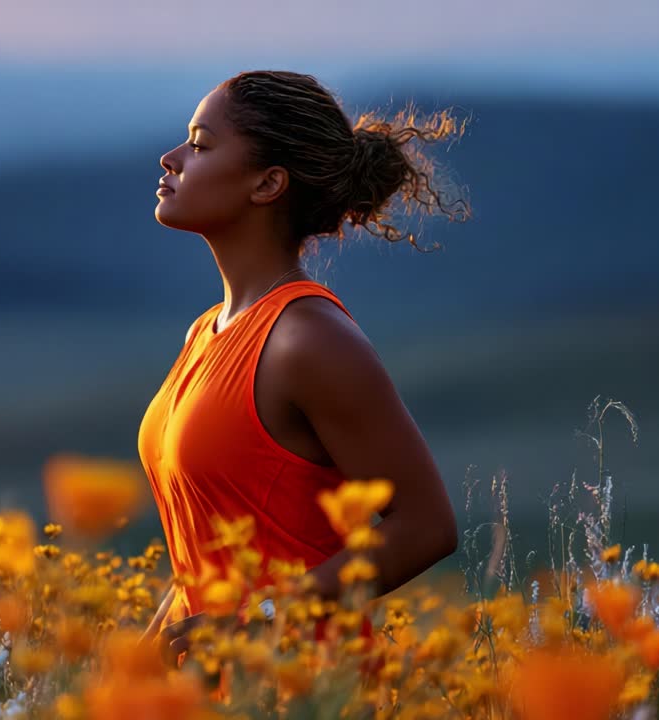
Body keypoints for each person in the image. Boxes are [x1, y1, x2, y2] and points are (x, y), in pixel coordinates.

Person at [137, 70, 469, 669]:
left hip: (307, 688)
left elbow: (426, 525)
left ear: (267, 183)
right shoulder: (205, 331)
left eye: (200, 144)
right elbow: (205, 554)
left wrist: (265, 619)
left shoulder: (306, 339)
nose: (171, 157)